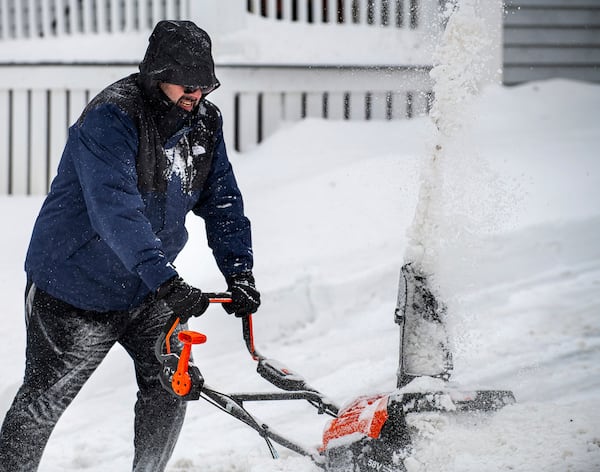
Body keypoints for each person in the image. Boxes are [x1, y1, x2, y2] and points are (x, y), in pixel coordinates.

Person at [0, 20, 260, 472]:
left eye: (205, 83)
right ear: (158, 73)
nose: (196, 93)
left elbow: (221, 200)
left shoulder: (204, 122)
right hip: (74, 287)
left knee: (171, 384)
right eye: (187, 81)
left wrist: (239, 271)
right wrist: (165, 279)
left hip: (147, 288)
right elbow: (114, 210)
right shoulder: (112, 117)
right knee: (42, 403)